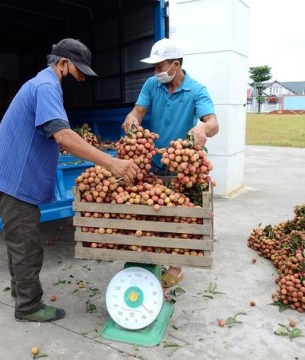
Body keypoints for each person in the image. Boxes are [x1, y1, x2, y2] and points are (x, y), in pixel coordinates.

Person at [0, 38, 139, 323]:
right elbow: (64, 136)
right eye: (79, 72)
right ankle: (28, 307)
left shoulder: (43, 84)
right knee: (27, 247)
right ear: (63, 64)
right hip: (13, 181)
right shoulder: (45, 86)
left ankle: (20, 292)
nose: (81, 79)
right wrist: (111, 162)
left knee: (19, 243)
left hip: (6, 175)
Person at [122, 37, 219, 288]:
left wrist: (202, 127)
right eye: (154, 67)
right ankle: (153, 255)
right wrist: (132, 118)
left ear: (175, 65)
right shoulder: (151, 85)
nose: (155, 72)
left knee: (179, 215)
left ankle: (175, 267)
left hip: (181, 164)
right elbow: (138, 111)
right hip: (153, 159)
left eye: (159, 66)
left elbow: (213, 123)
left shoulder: (197, 90)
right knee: (156, 211)